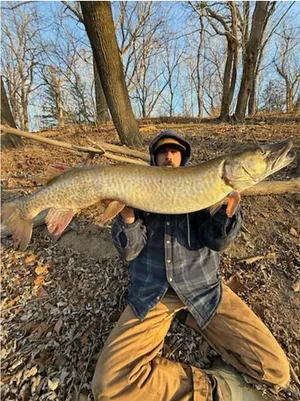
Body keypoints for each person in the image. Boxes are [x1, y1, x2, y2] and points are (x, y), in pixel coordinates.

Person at [92, 130, 290, 401]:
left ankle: (188, 316)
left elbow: (216, 241)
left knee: (277, 371)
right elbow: (131, 251)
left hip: (203, 289)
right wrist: (126, 215)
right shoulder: (136, 189)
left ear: (183, 157)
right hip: (153, 293)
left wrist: (226, 210)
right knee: (108, 385)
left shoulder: (209, 188)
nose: (168, 156)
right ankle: (216, 387)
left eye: (174, 151)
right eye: (162, 151)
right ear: (154, 158)